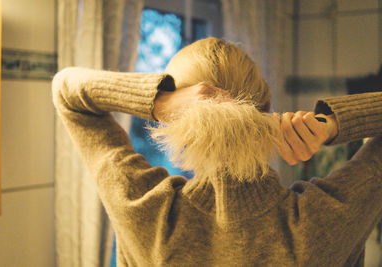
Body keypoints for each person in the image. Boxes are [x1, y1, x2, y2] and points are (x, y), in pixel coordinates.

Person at [52, 37, 382, 267]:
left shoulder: (145, 212)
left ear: (174, 124)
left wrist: (160, 100)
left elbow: (67, 91)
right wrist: (330, 124)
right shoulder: (324, 220)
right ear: (266, 106)